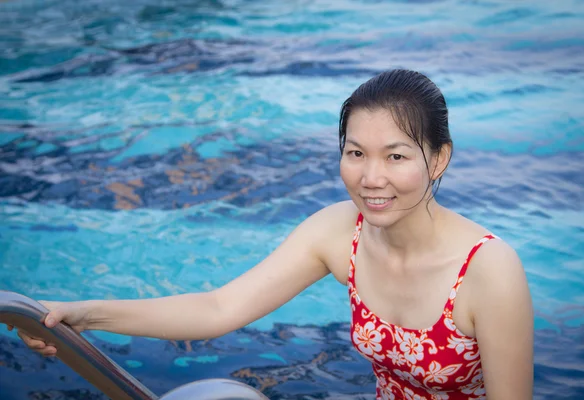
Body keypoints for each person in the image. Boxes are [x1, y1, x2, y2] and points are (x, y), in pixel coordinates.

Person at [9, 69, 534, 399]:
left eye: (395, 156)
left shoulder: (487, 270)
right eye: (355, 153)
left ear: (439, 158)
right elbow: (217, 310)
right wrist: (83, 314)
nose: (371, 177)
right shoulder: (338, 233)